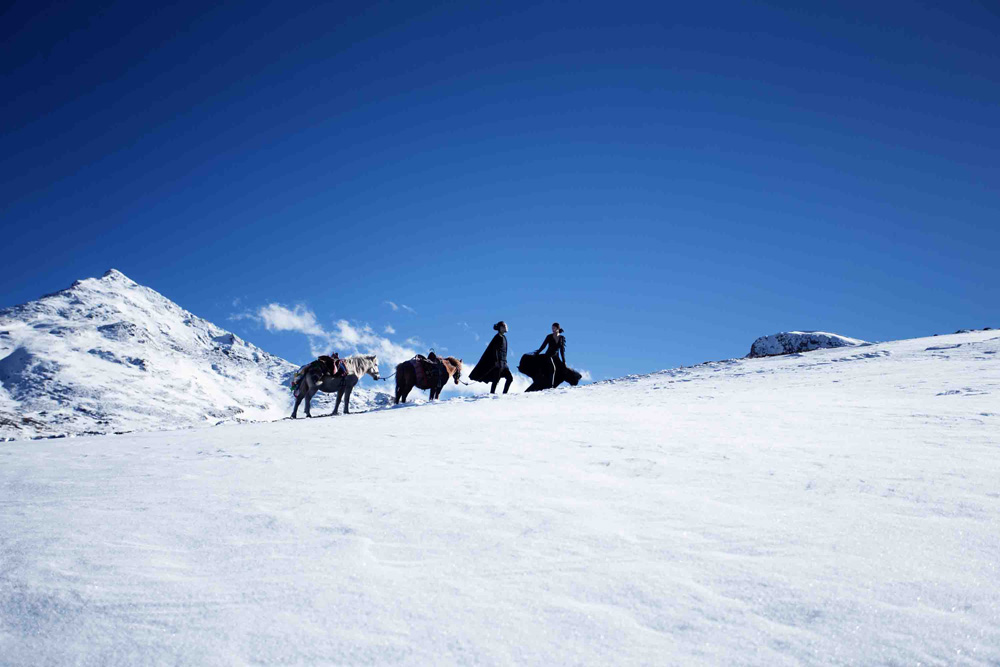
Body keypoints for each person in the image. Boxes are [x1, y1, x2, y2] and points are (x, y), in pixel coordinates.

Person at [469, 321, 513, 394]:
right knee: (496, 380)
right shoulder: (497, 337)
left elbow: (504, 352)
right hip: (498, 363)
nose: (505, 328)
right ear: (500, 328)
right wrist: (496, 361)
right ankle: (492, 394)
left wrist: (505, 362)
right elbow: (494, 350)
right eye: (504, 326)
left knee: (510, 378)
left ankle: (504, 394)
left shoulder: (504, 337)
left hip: (504, 363)